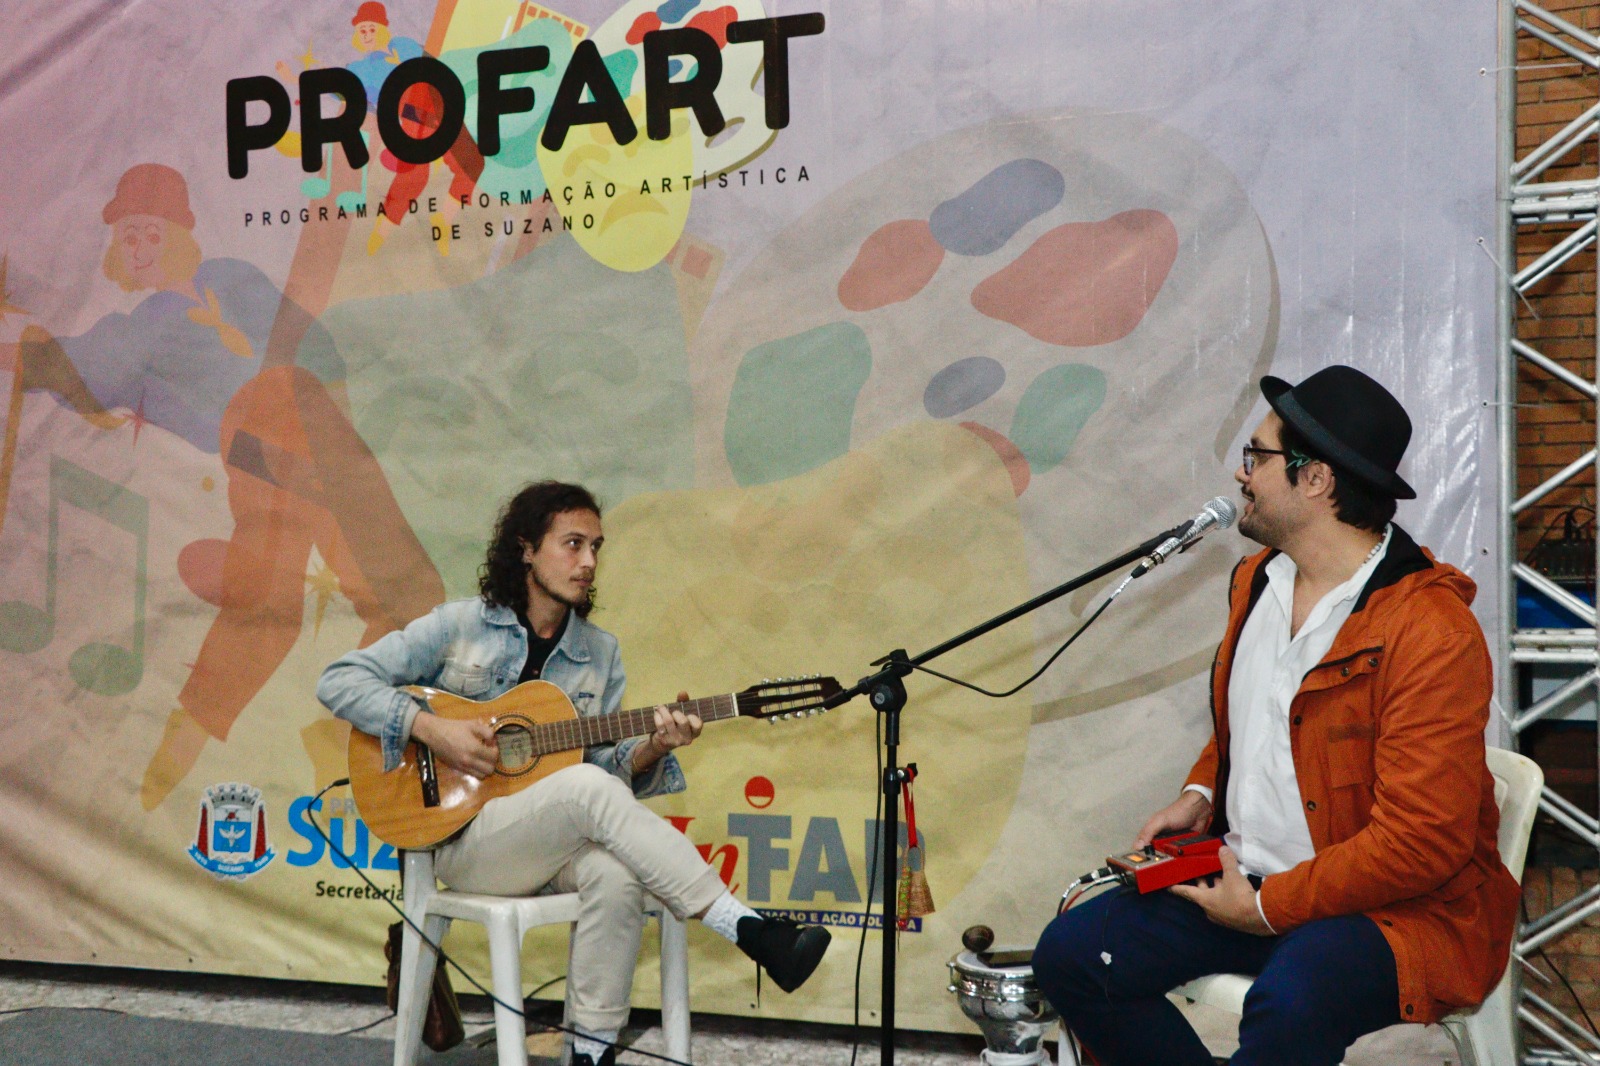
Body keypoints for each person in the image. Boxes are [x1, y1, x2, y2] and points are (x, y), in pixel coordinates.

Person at [1032, 366, 1519, 1066]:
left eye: (1256, 456)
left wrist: (1265, 909)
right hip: (1247, 877)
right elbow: (1262, 720)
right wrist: (1201, 792)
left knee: (1291, 1002)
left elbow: (1421, 843)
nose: (1241, 473)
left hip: (1391, 911)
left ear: (1315, 479)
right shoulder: (1255, 580)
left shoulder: (1431, 628)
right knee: (1075, 954)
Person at [316, 480, 831, 1066]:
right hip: (458, 843)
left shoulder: (599, 653)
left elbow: (600, 770)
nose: (588, 562)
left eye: (596, 547)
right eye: (573, 544)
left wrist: (651, 749)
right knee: (587, 791)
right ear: (526, 548)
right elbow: (339, 681)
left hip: (544, 843)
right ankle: (749, 929)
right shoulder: (458, 625)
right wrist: (432, 730)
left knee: (617, 873)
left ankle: (589, 1052)